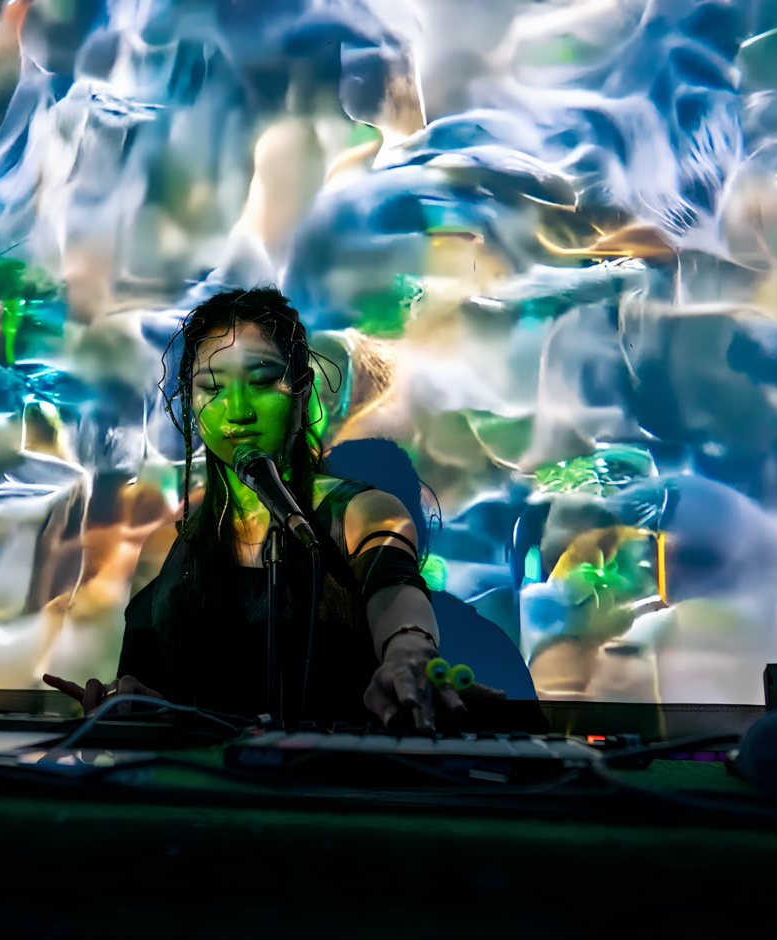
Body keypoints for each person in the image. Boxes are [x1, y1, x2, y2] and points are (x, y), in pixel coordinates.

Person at [44, 288, 494, 730]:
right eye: (213, 387)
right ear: (192, 402)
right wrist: (131, 703)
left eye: (261, 381)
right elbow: (146, 690)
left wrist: (408, 648)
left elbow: (395, 587)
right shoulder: (165, 548)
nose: (237, 411)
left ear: (301, 394)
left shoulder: (362, 512)